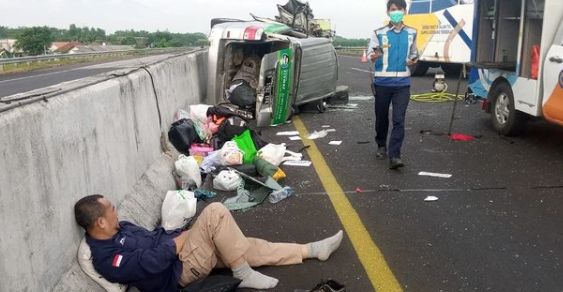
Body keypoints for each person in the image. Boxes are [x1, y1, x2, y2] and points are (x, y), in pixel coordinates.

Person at [74, 195, 343, 292]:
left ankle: (312, 250)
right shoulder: (107, 257)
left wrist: (187, 234)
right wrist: (185, 239)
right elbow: (151, 263)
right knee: (215, 212)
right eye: (110, 209)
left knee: (245, 246)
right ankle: (242, 273)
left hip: (185, 252)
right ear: (98, 222)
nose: (116, 211)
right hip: (179, 273)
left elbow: (157, 236)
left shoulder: (123, 227)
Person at [368, 0, 419, 170]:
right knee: (382, 117)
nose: (396, 12)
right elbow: (370, 53)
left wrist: (413, 60)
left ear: (405, 11)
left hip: (403, 84)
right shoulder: (379, 33)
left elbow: (414, 53)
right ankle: (381, 145)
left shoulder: (412, 32)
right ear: (388, 12)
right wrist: (373, 56)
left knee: (399, 119)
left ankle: (395, 155)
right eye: (392, 9)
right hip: (382, 82)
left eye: (399, 9)